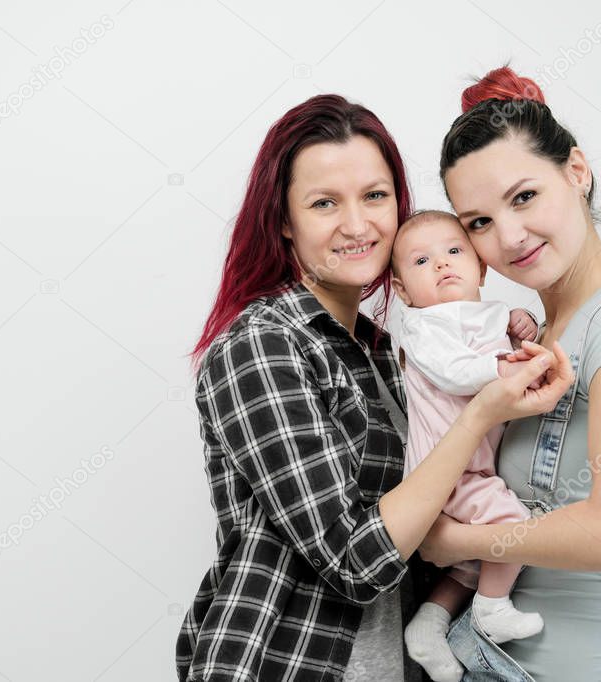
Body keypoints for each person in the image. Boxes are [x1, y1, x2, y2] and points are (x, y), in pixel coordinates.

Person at [175, 93, 572, 681]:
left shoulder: (384, 348)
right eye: (324, 203)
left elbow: (426, 513)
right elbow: (354, 561)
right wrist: (481, 414)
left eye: (375, 196)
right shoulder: (261, 346)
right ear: (284, 221)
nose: (357, 225)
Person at [418, 66, 601, 681]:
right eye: (479, 223)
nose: (509, 237)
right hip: (486, 659)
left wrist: (456, 543)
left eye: (523, 197)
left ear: (575, 171)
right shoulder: (537, 332)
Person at [389, 210, 545, 681]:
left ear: (481, 268)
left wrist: (523, 321)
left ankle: (428, 624)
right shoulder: (423, 326)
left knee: (474, 560)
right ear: (401, 290)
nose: (441, 265)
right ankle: (492, 610)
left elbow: (506, 332)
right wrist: (503, 368)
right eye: (421, 261)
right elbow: (455, 371)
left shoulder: (488, 312)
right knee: (513, 526)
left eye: (454, 252)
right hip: (445, 470)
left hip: (477, 466)